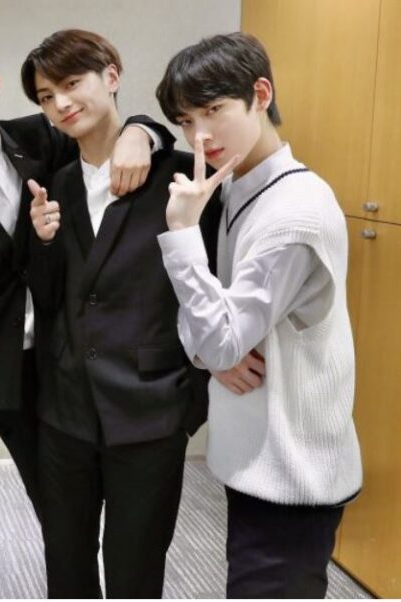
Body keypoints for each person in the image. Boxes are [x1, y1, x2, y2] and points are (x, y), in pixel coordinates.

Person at [0, 31, 170, 597]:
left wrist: (141, 132)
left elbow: (108, 125)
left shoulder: (43, 137)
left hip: (47, 370)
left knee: (64, 521)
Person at [155, 32, 362, 598]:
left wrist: (181, 235)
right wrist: (206, 349)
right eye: (185, 120)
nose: (199, 135)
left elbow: (220, 339)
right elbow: (209, 322)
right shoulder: (236, 189)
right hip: (256, 455)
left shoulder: (293, 213)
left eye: (213, 110)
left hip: (292, 470)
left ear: (261, 94)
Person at [21, 29, 216, 598]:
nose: (61, 103)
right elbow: (51, 300)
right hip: (65, 410)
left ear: (111, 75)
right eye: (46, 96)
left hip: (151, 408)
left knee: (135, 570)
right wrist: (42, 244)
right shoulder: (56, 184)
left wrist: (192, 395)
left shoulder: (180, 175)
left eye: (71, 83)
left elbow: (210, 285)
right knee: (66, 564)